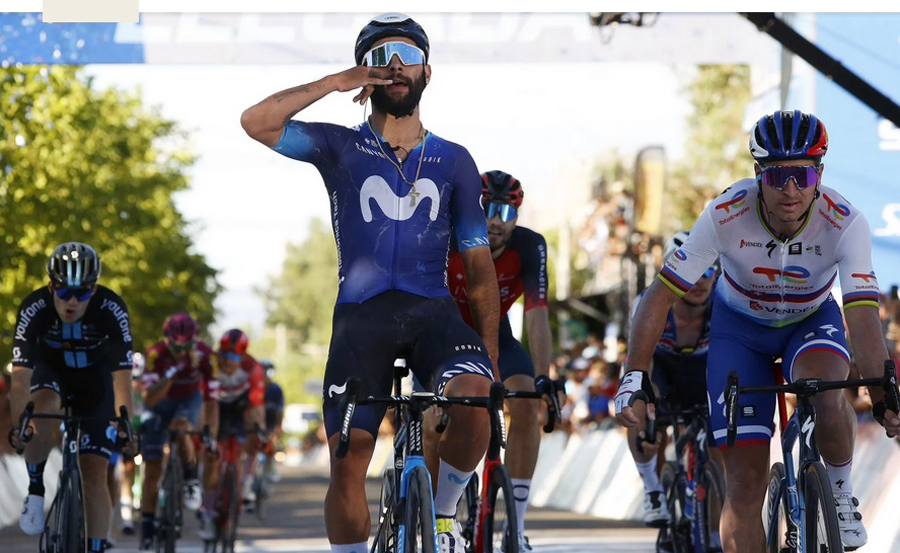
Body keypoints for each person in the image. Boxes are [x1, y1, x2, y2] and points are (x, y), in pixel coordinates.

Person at [240, 12, 501, 553]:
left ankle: (447, 516)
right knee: (348, 456)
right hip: (363, 317)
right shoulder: (339, 147)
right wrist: (335, 83)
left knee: (476, 398)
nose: (397, 67)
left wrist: (492, 361)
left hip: (434, 314)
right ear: (367, 72)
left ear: (429, 70)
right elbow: (256, 121)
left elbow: (479, 274)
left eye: (408, 55)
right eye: (382, 58)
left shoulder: (455, 160)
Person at [615, 110, 900, 553]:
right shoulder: (725, 214)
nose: (791, 189)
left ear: (819, 173)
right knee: (743, 489)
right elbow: (660, 295)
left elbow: (862, 316)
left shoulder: (846, 222)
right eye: (778, 174)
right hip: (738, 332)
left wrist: (883, 397)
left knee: (828, 390)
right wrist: (634, 376)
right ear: (758, 173)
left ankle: (841, 493)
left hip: (810, 321)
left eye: (802, 174)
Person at [437, 170, 555, 551]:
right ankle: (441, 519)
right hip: (445, 332)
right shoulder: (447, 238)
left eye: (505, 212)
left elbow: (537, 315)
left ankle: (516, 527)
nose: (495, 220)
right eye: (487, 208)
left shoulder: (530, 247)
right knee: (434, 416)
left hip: (497, 334)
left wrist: (544, 378)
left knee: (527, 403)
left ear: (517, 217)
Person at [9, 242, 135, 553]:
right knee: (41, 409)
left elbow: (123, 379)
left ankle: (94, 547)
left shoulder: (112, 308)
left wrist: (127, 426)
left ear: (94, 290)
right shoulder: (33, 307)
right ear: (51, 286)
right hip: (51, 373)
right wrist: (19, 426)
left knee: (94, 469)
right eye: (64, 292)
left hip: (96, 382)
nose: (73, 301)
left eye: (83, 293)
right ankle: (35, 489)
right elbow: (20, 380)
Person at [623, 232, 721, 540]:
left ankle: (715, 532)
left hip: (704, 370)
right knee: (642, 412)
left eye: (709, 270)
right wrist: (648, 414)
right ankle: (653, 487)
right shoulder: (649, 304)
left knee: (718, 452)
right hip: (661, 367)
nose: (701, 280)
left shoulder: (723, 302)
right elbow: (641, 365)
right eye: (692, 271)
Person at [138, 311, 219, 550]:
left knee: (182, 428)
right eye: (176, 346)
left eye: (188, 346)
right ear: (166, 340)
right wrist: (174, 371)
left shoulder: (206, 355)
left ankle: (190, 478)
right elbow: (150, 400)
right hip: (160, 402)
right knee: (152, 470)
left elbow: (212, 401)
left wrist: (210, 435)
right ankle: (147, 525)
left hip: (189, 400)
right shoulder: (155, 355)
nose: (182, 350)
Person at [201, 328, 266, 533]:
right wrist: (206, 432)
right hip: (215, 406)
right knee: (212, 454)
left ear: (243, 356)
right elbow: (203, 403)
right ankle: (208, 510)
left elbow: (257, 406)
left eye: (234, 357)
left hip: (239, 409)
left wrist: (260, 432)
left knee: (255, 434)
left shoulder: (252, 368)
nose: (228, 362)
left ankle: (246, 483)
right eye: (224, 356)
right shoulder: (211, 364)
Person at [261, 359, 285, 483]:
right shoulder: (255, 387)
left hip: (271, 421)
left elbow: (280, 411)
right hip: (256, 421)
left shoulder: (276, 390)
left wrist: (278, 428)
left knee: (271, 446)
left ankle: (270, 467)